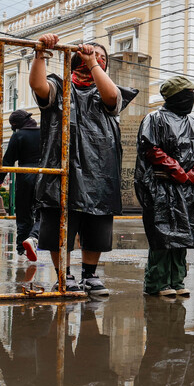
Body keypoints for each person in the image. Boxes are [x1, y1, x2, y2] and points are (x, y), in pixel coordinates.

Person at [28, 33, 138, 295]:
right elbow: (38, 86)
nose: (95, 58)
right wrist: (40, 53)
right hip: (61, 169)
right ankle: (63, 275)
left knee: (96, 225)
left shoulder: (107, 91)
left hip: (100, 170)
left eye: (102, 58)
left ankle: (90, 274)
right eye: (91, 54)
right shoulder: (59, 87)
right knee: (60, 226)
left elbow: (111, 97)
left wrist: (93, 63)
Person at [134, 76, 194, 297]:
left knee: (183, 235)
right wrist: (178, 171)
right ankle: (158, 282)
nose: (193, 97)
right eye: (188, 93)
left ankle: (177, 280)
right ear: (177, 96)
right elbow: (152, 150)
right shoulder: (154, 119)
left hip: (188, 188)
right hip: (162, 188)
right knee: (163, 236)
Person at [0, 109, 42, 261]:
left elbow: (7, 160)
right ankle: (33, 237)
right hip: (44, 175)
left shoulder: (18, 135)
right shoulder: (44, 133)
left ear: (16, 124)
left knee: (23, 213)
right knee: (43, 212)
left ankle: (21, 249)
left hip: (24, 175)